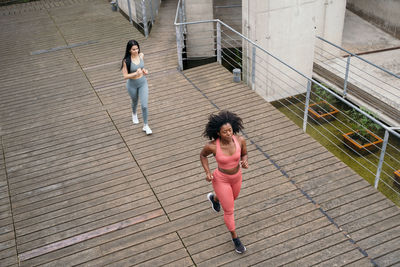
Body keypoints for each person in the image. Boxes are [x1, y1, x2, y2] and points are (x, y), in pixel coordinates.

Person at [200, 110, 248, 254]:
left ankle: (214, 198)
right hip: (221, 179)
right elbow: (203, 155)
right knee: (229, 209)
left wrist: (244, 161)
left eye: (230, 130)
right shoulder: (213, 146)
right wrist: (207, 172)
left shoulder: (240, 140)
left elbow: (244, 153)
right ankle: (235, 238)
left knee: (233, 198)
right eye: (225, 132)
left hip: (237, 177)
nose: (228, 134)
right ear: (218, 133)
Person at [121, 40, 152, 135]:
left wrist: (144, 71)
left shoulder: (141, 55)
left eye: (137, 48)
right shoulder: (126, 61)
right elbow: (125, 76)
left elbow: (142, 68)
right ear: (129, 50)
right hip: (132, 85)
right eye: (133, 49)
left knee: (144, 105)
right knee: (135, 101)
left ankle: (146, 125)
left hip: (142, 83)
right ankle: (134, 114)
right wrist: (135, 73)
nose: (136, 51)